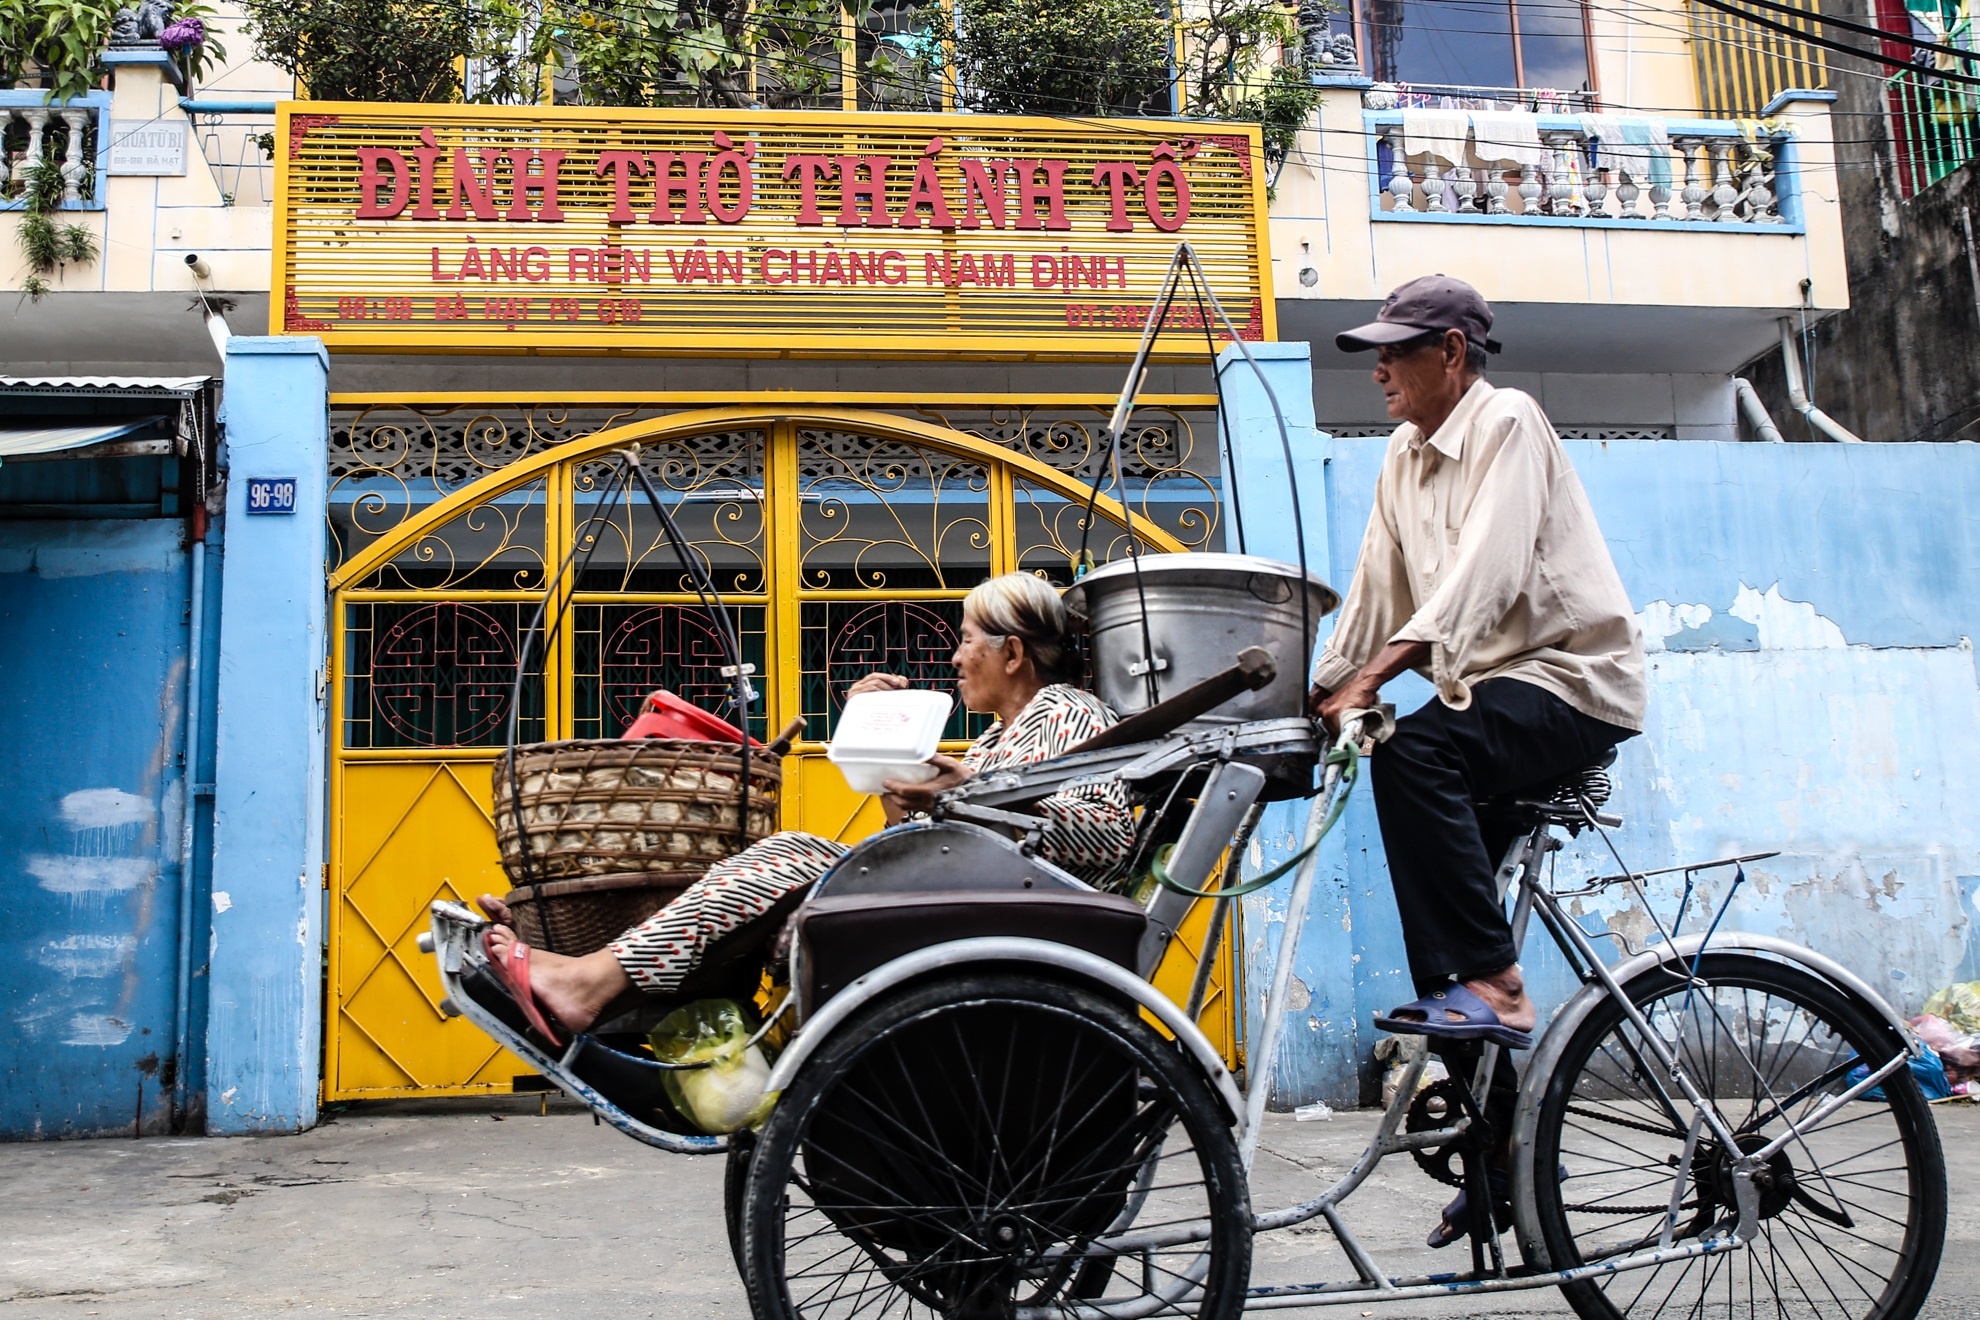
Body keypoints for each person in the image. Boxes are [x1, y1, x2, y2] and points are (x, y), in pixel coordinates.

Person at [1313, 275, 1646, 1241]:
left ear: (1451, 353)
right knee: (1438, 947)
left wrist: (1372, 680)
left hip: (1571, 683)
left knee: (1414, 758)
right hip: (1490, 696)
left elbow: (1484, 580)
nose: (1379, 369)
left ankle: (1502, 980)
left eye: (1396, 351)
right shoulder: (1400, 456)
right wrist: (1316, 689)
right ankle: (1498, 1152)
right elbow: (1374, 596)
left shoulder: (1509, 421)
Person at [479, 572, 1135, 1042]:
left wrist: (969, 791)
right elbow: (912, 827)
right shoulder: (997, 738)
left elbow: (1105, 836)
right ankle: (605, 985)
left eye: (967, 640)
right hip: (964, 896)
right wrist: (878, 736)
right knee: (787, 857)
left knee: (790, 852)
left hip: (1014, 917)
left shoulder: (1068, 713)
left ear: (1012, 652)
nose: (956, 658)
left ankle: (590, 984)